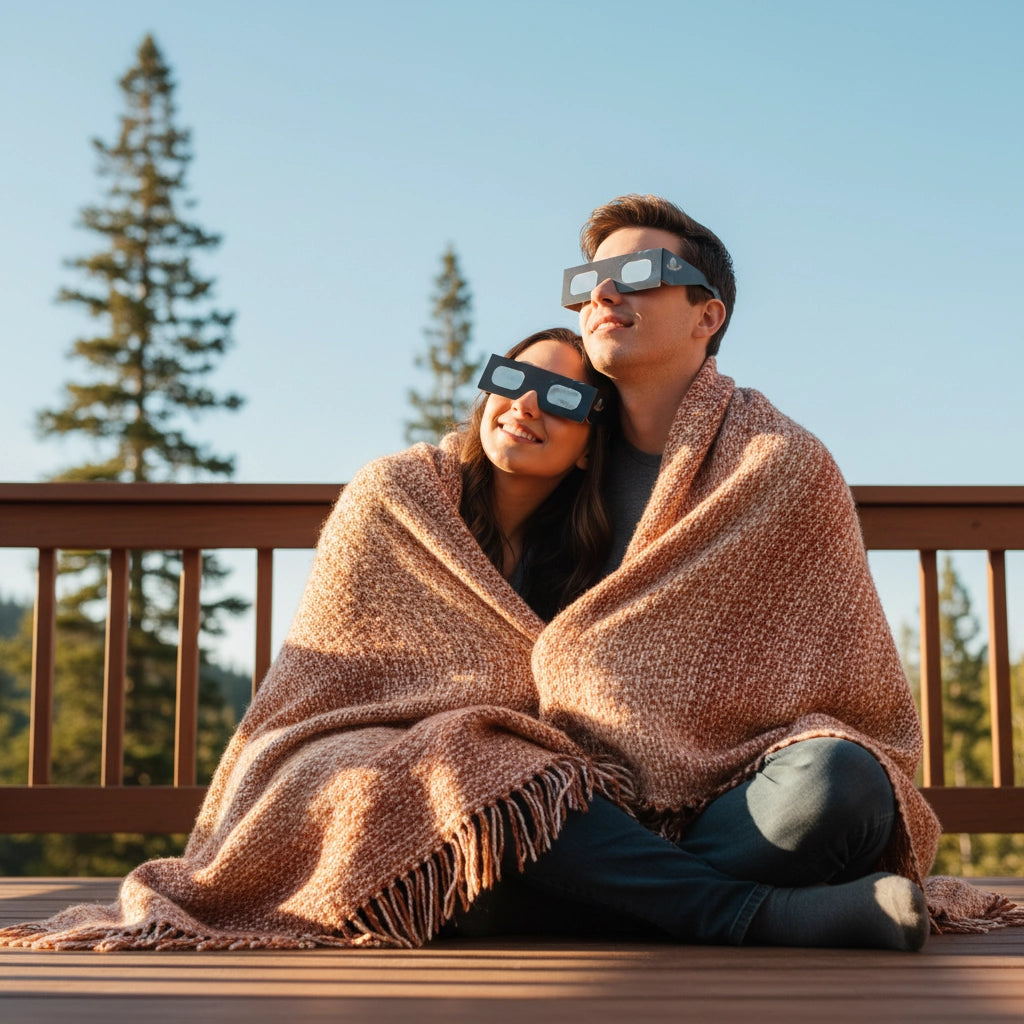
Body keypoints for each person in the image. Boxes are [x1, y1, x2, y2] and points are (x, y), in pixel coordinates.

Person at [446, 195, 939, 950]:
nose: (603, 295)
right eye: (588, 282)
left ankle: (602, 893)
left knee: (840, 786)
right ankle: (751, 914)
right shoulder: (561, 455)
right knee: (468, 789)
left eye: (637, 272)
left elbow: (849, 689)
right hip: (577, 796)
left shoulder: (778, 464)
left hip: (737, 802)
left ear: (707, 317)